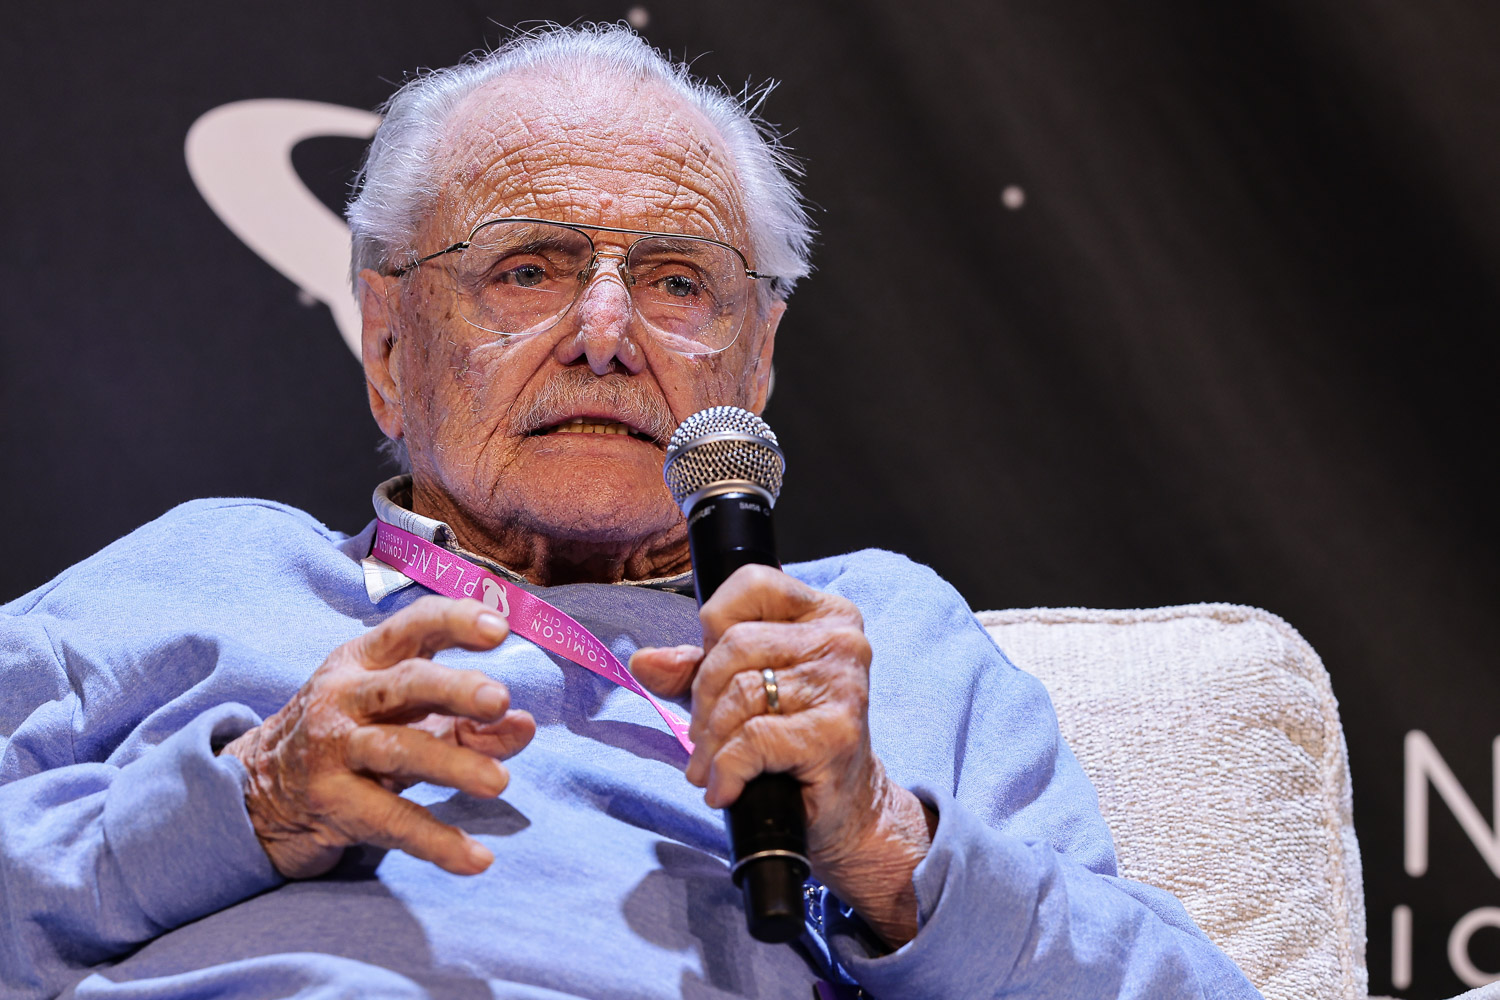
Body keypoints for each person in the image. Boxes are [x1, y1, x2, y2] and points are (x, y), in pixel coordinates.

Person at [0, 24, 1262, 1000]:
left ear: (756, 362)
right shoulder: (199, 574)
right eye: (528, 267)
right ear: (387, 342)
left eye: (674, 280)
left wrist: (882, 841)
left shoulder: (882, 636)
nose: (605, 335)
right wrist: (245, 804)